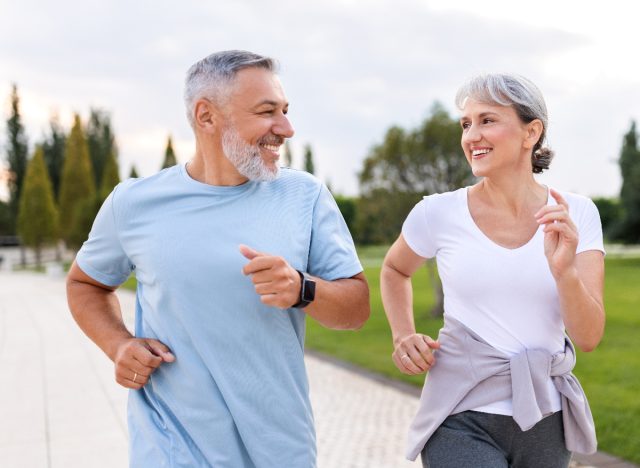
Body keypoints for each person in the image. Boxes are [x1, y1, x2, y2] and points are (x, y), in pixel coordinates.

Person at [66, 50, 369, 467]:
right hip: (172, 446)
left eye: (285, 111)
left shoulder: (306, 196)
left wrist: (302, 288)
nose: (286, 128)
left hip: (280, 448)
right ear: (206, 116)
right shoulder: (134, 204)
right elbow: (86, 284)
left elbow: (355, 310)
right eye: (267, 112)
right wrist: (118, 345)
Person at [380, 73, 605, 468]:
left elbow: (588, 337)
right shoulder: (436, 212)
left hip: (546, 419)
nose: (471, 136)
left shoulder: (576, 214)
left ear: (530, 132)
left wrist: (564, 270)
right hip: (459, 415)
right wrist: (403, 335)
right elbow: (395, 269)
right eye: (466, 124)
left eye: (487, 120)